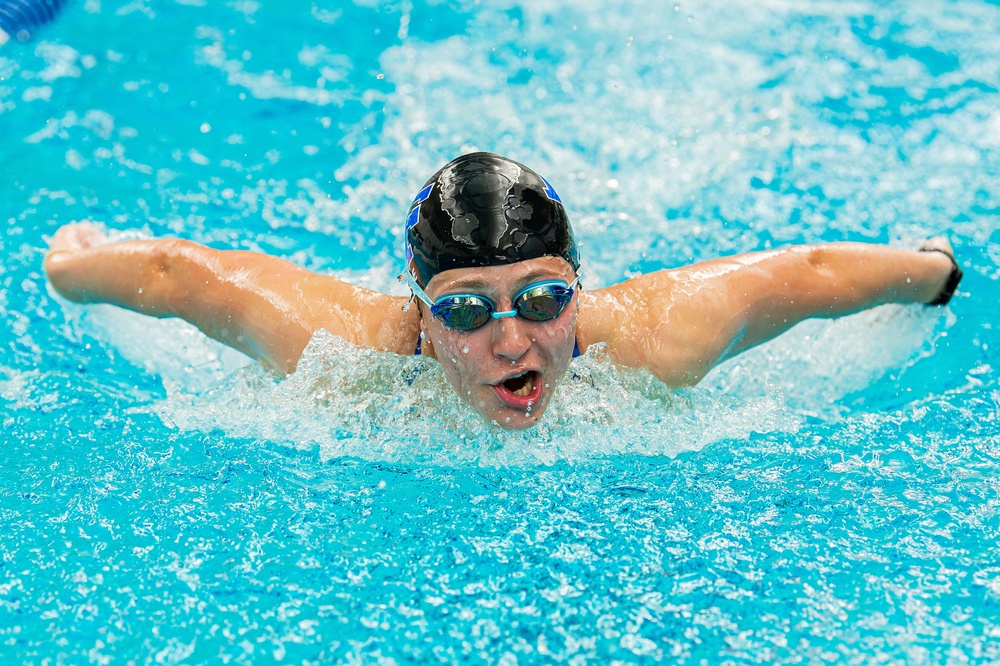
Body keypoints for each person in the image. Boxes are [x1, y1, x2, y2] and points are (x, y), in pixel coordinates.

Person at [44, 152, 963, 430]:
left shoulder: (654, 337)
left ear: (577, 288)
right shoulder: (352, 349)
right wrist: (68, 266)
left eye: (540, 300)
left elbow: (805, 279)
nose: (513, 341)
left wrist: (934, 271)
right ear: (422, 315)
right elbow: (178, 275)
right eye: (467, 311)